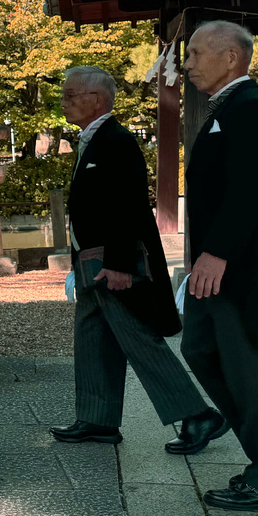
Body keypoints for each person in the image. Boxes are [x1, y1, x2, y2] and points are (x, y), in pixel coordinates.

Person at [49, 66, 225, 452]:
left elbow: (128, 208)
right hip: (90, 262)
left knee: (138, 339)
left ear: (97, 100)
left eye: (71, 94)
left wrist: (120, 264)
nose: (64, 101)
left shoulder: (116, 140)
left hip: (111, 263)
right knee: (93, 337)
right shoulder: (92, 140)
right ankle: (97, 419)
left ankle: (197, 414)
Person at [181, 21, 258, 511]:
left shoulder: (249, 107)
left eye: (196, 53)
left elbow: (249, 191)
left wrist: (217, 252)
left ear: (231, 57)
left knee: (245, 367)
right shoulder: (226, 108)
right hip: (216, 267)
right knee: (201, 350)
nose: (186, 64)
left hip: (237, 266)